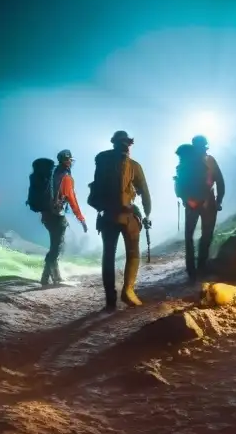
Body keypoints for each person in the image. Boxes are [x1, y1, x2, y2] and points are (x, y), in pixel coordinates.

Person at [88, 130, 152, 311]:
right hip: (127, 216)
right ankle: (128, 291)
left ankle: (110, 300)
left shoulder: (102, 163)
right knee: (133, 254)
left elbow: (96, 189)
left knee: (108, 256)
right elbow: (145, 194)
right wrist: (146, 215)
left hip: (107, 215)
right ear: (128, 145)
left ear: (113, 143)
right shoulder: (134, 166)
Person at [177, 134, 225, 281]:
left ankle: (196, 269)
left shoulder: (192, 161)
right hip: (202, 203)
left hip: (201, 203)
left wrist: (218, 201)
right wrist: (218, 201)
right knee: (200, 236)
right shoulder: (203, 161)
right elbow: (220, 182)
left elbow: (179, 185)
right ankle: (196, 268)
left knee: (198, 236)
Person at [40, 149, 88, 286]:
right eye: (70, 160)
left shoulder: (52, 173)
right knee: (57, 247)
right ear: (66, 161)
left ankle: (52, 276)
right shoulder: (66, 178)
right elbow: (72, 200)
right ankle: (48, 278)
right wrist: (81, 219)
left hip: (46, 215)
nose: (71, 163)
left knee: (54, 244)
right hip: (57, 215)